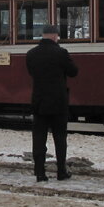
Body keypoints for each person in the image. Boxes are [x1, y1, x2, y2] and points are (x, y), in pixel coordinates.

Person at [25, 24, 79, 182]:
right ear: (55, 36)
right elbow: (74, 72)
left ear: (43, 35)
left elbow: (31, 73)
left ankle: (40, 173)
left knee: (39, 138)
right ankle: (61, 171)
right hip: (58, 102)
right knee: (60, 138)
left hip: (39, 101)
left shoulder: (31, 54)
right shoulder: (61, 53)